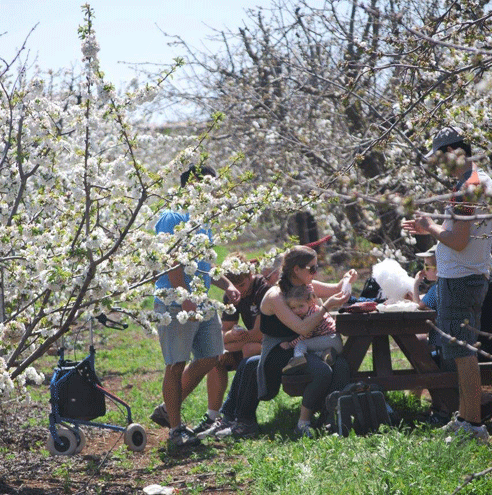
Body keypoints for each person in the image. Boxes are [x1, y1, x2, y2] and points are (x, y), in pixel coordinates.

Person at [403, 126, 492, 442]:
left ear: (454, 152)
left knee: (463, 353)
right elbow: (457, 233)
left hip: (462, 280)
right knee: (459, 351)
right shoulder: (469, 183)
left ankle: (474, 425)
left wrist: (429, 226)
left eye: (439, 158)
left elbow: (457, 241)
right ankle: (466, 417)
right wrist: (428, 227)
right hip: (460, 278)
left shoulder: (470, 187)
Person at [150, 165, 241, 447]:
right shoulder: (172, 216)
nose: (213, 191)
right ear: (193, 185)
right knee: (176, 364)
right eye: (209, 185)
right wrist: (185, 298)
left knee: (212, 356)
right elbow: (172, 260)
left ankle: (167, 409)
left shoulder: (203, 220)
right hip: (176, 303)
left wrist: (226, 284)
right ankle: (176, 431)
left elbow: (204, 266)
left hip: (200, 299)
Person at [255, 246, 355, 438]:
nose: (315, 272)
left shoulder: (306, 285)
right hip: (280, 350)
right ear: (296, 270)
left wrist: (347, 279)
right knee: (322, 371)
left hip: (305, 343)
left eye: (317, 267)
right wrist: (325, 306)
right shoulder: (276, 295)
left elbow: (336, 289)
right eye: (312, 268)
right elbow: (302, 328)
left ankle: (328, 418)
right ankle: (303, 423)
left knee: (341, 365)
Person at [191, 253, 270, 439]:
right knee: (217, 357)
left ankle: (235, 415)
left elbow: (259, 335)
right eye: (235, 287)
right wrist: (232, 335)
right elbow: (222, 336)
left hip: (267, 345)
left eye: (242, 285)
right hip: (248, 345)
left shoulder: (262, 290)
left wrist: (232, 340)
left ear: (250, 276)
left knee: (246, 350)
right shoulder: (232, 293)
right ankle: (213, 416)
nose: (239, 292)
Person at [279, 284, 343, 374]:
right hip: (334, 341)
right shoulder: (315, 309)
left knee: (301, 344)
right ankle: (326, 354)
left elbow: (305, 336)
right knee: (311, 349)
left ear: (309, 302)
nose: (297, 310)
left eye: (301, 306)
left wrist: (290, 345)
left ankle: (298, 359)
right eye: (293, 308)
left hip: (329, 339)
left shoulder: (310, 316)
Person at [412, 245, 438, 310]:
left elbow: (418, 306)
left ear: (438, 268)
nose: (423, 270)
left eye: (426, 267)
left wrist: (416, 284)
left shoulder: (436, 289)